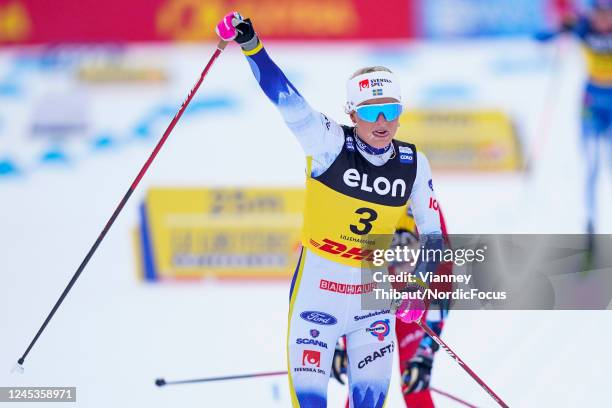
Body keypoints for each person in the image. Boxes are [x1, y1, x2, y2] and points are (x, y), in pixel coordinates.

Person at [215, 12, 443, 407]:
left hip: (373, 300)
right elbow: (283, 96)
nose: (382, 121)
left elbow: (434, 234)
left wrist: (418, 288)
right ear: (352, 114)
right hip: (316, 292)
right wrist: (252, 45)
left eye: (391, 110)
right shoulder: (326, 143)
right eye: (371, 112)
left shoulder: (413, 162)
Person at [332, 206, 452, 408]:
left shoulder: (422, 197)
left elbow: (444, 275)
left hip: (412, 305)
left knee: (414, 386)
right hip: (370, 303)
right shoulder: (360, 194)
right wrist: (338, 339)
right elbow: (339, 269)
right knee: (366, 386)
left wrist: (425, 353)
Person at [538, 0, 612, 245]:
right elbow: (544, 36)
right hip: (591, 103)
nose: (603, 20)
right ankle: (590, 225)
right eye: (599, 14)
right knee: (591, 166)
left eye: (607, 14)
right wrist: (561, 27)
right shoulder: (583, 27)